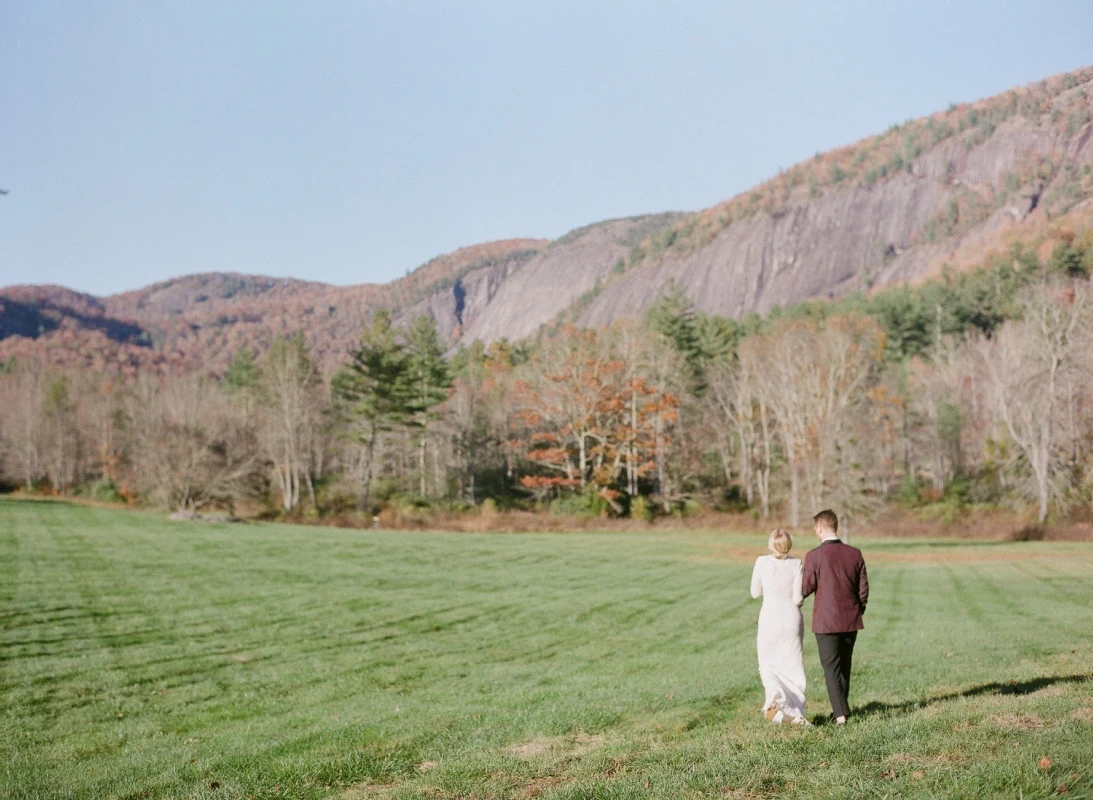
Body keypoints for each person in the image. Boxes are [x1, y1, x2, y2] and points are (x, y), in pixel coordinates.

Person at [802, 509, 869, 725]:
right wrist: (857, 611)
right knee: (844, 668)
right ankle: (839, 710)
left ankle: (841, 716)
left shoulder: (814, 556)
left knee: (831, 668)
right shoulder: (855, 553)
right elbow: (863, 590)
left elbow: (807, 587)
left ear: (820, 528)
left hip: (825, 621)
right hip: (850, 620)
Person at [750, 528, 807, 724]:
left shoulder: (761, 562)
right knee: (792, 665)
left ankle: (775, 697)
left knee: (768, 664)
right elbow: (798, 597)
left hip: (769, 619)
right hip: (791, 618)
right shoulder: (796, 564)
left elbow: (755, 593)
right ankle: (795, 713)